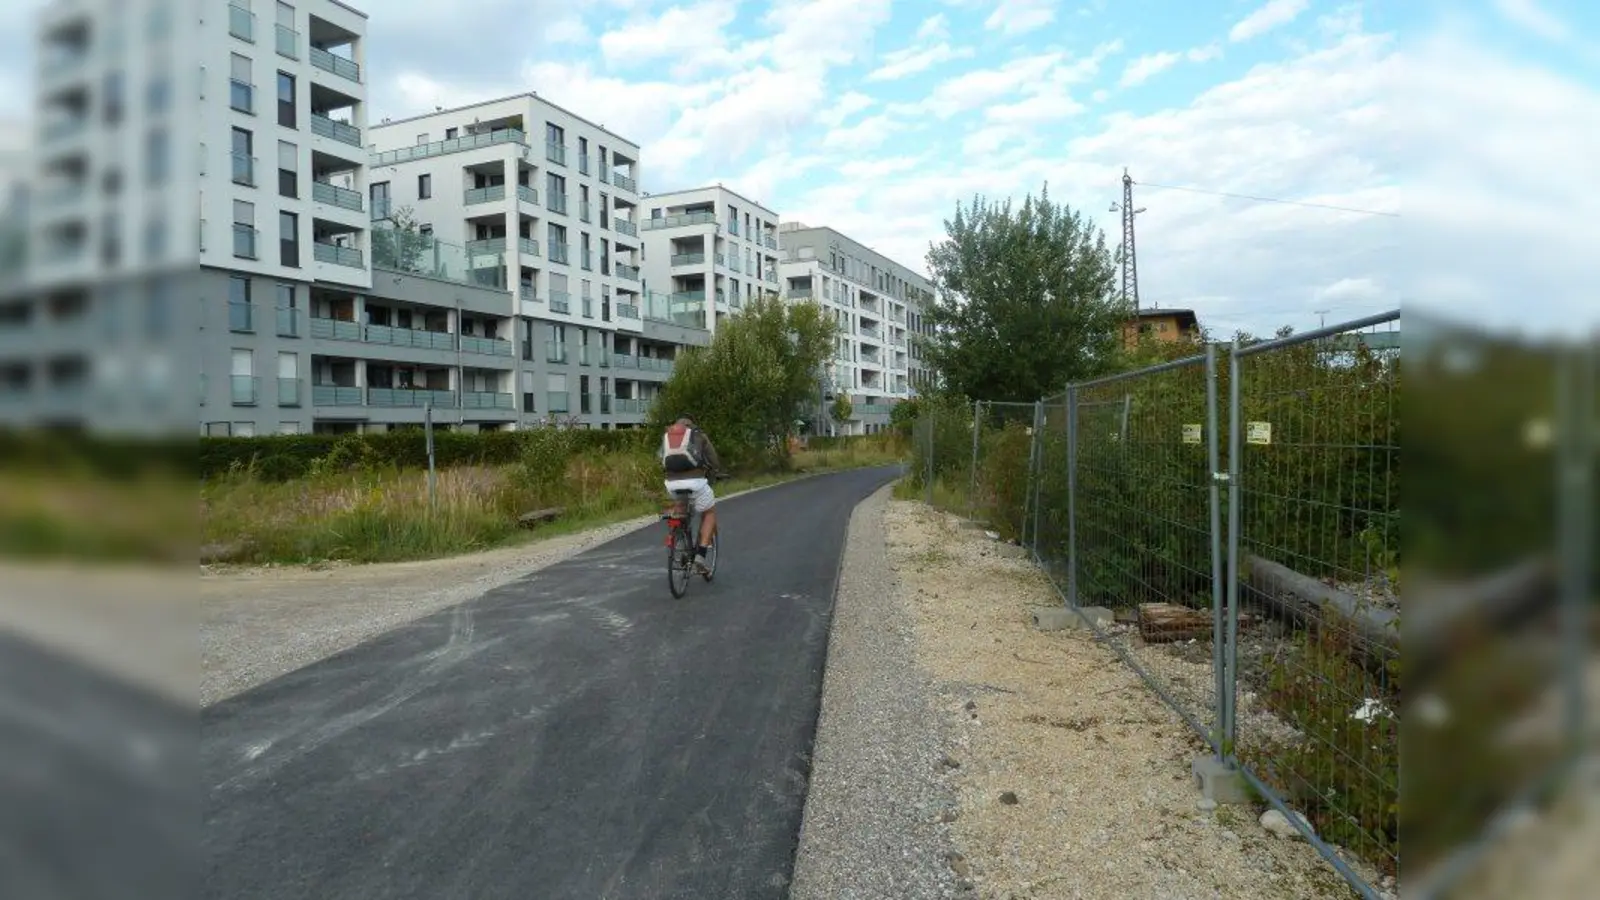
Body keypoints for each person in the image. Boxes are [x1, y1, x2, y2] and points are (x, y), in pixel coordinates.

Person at [660, 415, 722, 572]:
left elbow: (661, 458)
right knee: (709, 513)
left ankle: (679, 539)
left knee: (681, 509)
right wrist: (716, 471)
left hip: (671, 483)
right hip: (695, 482)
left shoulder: (668, 436)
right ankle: (700, 556)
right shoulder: (698, 435)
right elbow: (713, 460)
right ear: (691, 425)